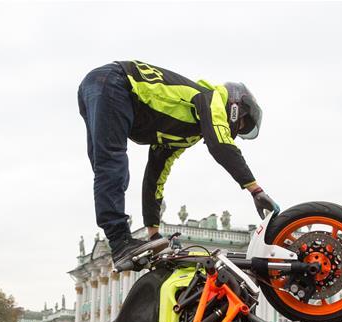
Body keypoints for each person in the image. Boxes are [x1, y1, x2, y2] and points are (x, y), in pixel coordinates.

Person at [77, 60, 276, 266]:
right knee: (112, 166)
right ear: (237, 107)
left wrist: (153, 236)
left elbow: (155, 176)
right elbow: (220, 145)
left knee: (108, 168)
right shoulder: (210, 98)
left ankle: (121, 242)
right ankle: (120, 242)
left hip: (100, 86)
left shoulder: (185, 132)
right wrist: (255, 190)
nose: (236, 131)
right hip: (113, 82)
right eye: (241, 124)